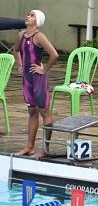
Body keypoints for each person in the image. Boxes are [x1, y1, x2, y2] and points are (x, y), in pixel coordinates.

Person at [13, 10, 58, 157]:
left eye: (32, 15)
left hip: (38, 79)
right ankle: (29, 146)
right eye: (27, 14)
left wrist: (44, 69)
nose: (28, 16)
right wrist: (19, 64)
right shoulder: (21, 35)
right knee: (32, 111)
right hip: (27, 79)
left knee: (44, 111)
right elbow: (16, 50)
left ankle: (45, 149)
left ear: (38, 20)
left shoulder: (39, 36)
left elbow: (54, 54)